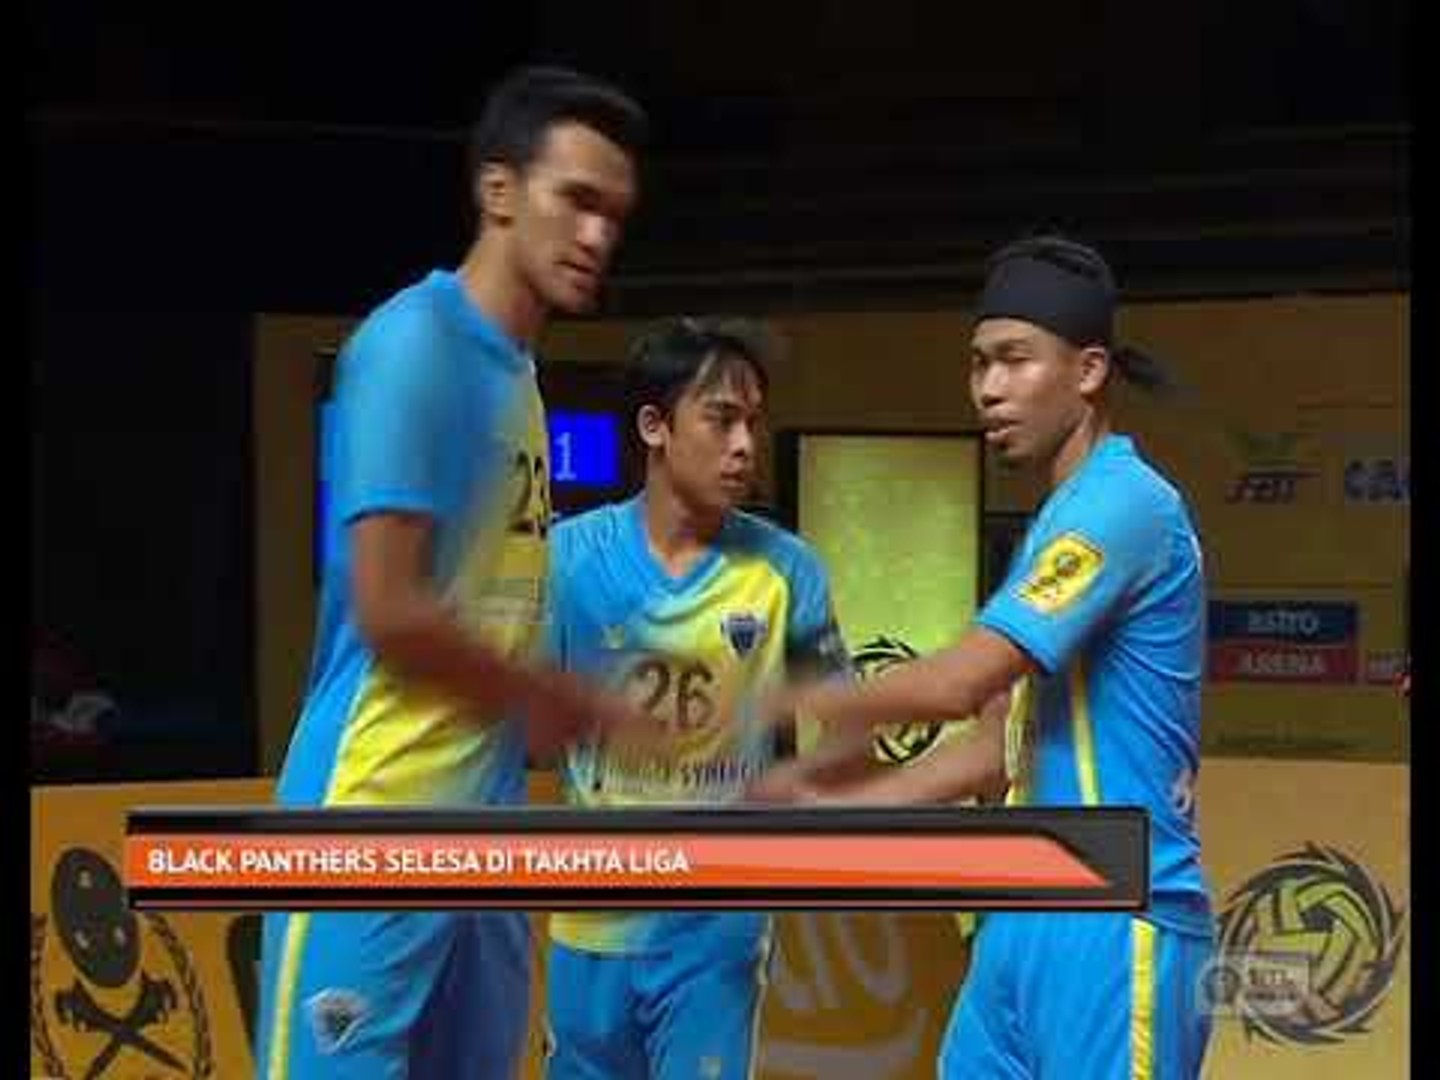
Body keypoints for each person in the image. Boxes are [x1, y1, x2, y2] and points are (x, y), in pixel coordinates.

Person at [256, 66, 647, 1080]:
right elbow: (391, 608)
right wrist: (552, 697)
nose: (598, 234)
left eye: (615, 214)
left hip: (486, 834)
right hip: (374, 818)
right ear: (499, 190)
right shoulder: (415, 345)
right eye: (577, 199)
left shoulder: (518, 375)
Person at [750, 235, 1216, 1079]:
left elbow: (962, 682)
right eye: (978, 364)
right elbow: (992, 749)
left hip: (1119, 920)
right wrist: (829, 812)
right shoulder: (1054, 524)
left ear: (1088, 371)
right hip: (1023, 913)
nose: (989, 388)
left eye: (1014, 360)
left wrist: (778, 698)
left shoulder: (1126, 504)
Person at [542, 317, 852, 1080]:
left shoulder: (788, 570)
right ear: (655, 426)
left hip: (716, 928)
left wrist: (799, 791)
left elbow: (849, 730)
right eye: (721, 419)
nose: (745, 444)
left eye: (754, 422)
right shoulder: (567, 561)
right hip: (588, 924)